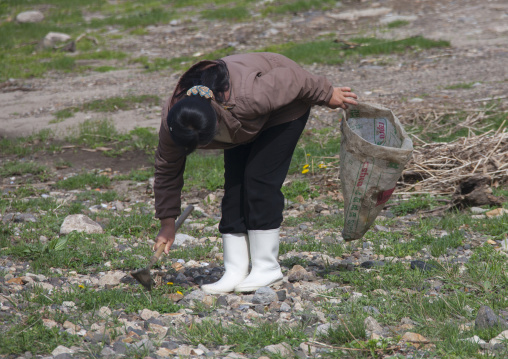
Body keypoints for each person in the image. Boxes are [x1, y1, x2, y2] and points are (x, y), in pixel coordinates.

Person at [153, 52, 358, 294]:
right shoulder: (174, 121)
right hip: (241, 122)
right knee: (235, 189)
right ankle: (235, 269)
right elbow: (167, 169)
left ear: (214, 123)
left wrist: (327, 93)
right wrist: (167, 223)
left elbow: (293, 78)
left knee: (259, 182)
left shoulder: (250, 97)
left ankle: (266, 267)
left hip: (283, 109)